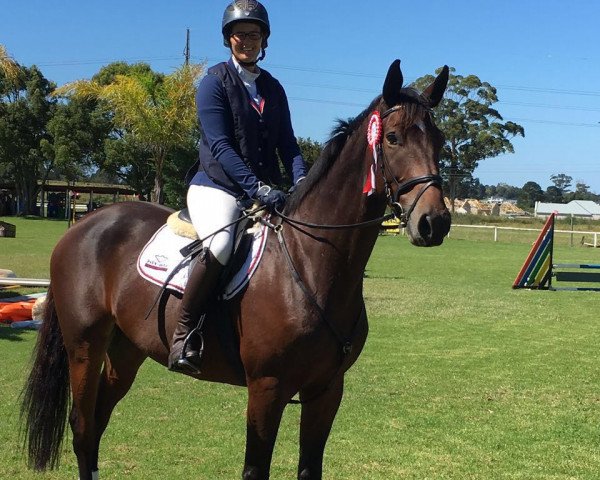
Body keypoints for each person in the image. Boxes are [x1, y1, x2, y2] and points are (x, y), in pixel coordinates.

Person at [168, 0, 307, 374]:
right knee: (221, 243)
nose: (247, 40)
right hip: (216, 186)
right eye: (239, 34)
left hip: (264, 192)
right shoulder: (214, 82)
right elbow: (220, 145)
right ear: (228, 39)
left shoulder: (273, 88)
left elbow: (288, 144)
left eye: (254, 33)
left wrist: (301, 180)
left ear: (264, 39)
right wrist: (257, 187)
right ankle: (184, 334)